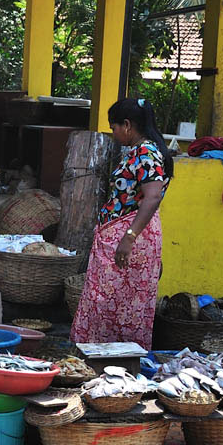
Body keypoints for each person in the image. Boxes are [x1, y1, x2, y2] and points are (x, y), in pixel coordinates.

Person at [70, 98, 172, 349]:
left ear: (127, 125)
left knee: (114, 301)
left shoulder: (146, 152)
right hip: (123, 234)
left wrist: (128, 237)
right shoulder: (141, 151)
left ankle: (115, 355)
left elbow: (153, 196)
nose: (114, 134)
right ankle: (102, 353)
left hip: (130, 238)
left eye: (114, 127)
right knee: (113, 299)